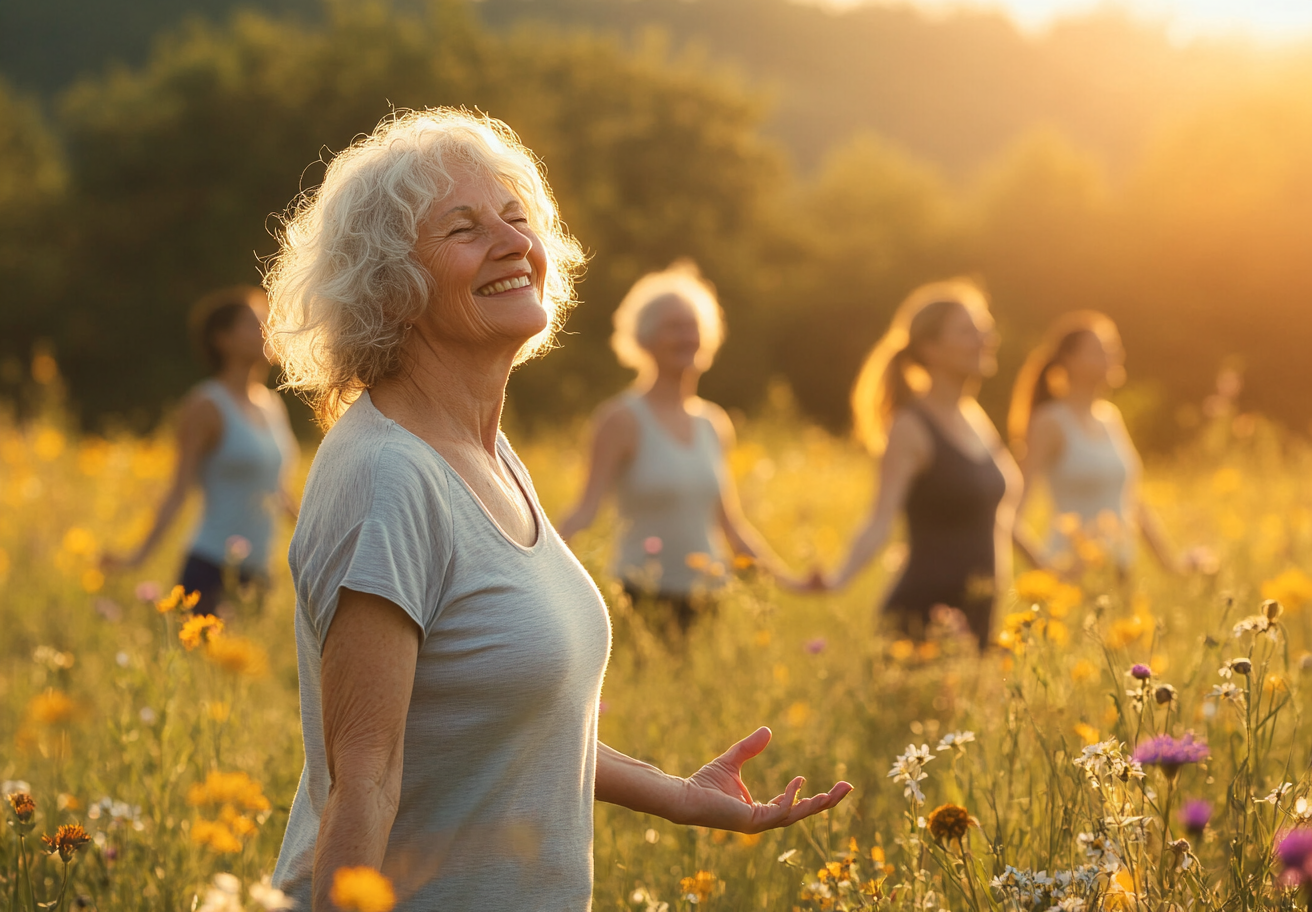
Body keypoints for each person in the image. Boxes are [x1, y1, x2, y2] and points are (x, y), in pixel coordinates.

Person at [262, 109, 851, 911]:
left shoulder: (488, 454)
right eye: (464, 228)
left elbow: (507, 727)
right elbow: (363, 780)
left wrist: (677, 794)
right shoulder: (387, 476)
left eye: (517, 217)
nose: (513, 243)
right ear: (390, 283)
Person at [557, 262, 809, 637]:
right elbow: (585, 510)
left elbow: (730, 524)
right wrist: (537, 572)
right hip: (640, 599)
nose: (687, 336)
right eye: (673, 326)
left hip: (708, 598)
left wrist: (791, 581)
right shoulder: (620, 420)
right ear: (644, 338)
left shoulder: (714, 423)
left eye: (693, 326)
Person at [822, 280, 1020, 649]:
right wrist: (839, 578)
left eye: (984, 328)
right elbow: (880, 520)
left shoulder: (974, 416)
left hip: (978, 616)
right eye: (967, 331)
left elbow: (997, 515)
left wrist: (1049, 566)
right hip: (923, 618)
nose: (985, 338)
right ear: (929, 349)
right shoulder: (910, 427)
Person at [102, 286, 299, 615]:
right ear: (223, 340)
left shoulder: (272, 406)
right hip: (210, 568)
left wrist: (324, 541)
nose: (268, 330)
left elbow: (277, 491)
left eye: (268, 320)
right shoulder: (205, 405)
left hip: (258, 574)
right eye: (254, 324)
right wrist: (137, 556)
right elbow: (179, 491)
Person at [1007, 311, 1181, 577]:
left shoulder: (1110, 417)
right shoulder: (1050, 422)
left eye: (1114, 348)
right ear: (1070, 361)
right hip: (1073, 579)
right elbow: (1009, 513)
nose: (1114, 356)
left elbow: (1131, 500)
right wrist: (1047, 571)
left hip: (1121, 574)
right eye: (1100, 350)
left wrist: (1171, 566)